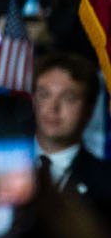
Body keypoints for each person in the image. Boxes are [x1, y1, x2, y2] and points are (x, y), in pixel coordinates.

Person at [31, 53, 111, 222]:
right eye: (44, 95)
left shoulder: (106, 183)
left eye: (68, 98)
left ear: (89, 110)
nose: (53, 107)